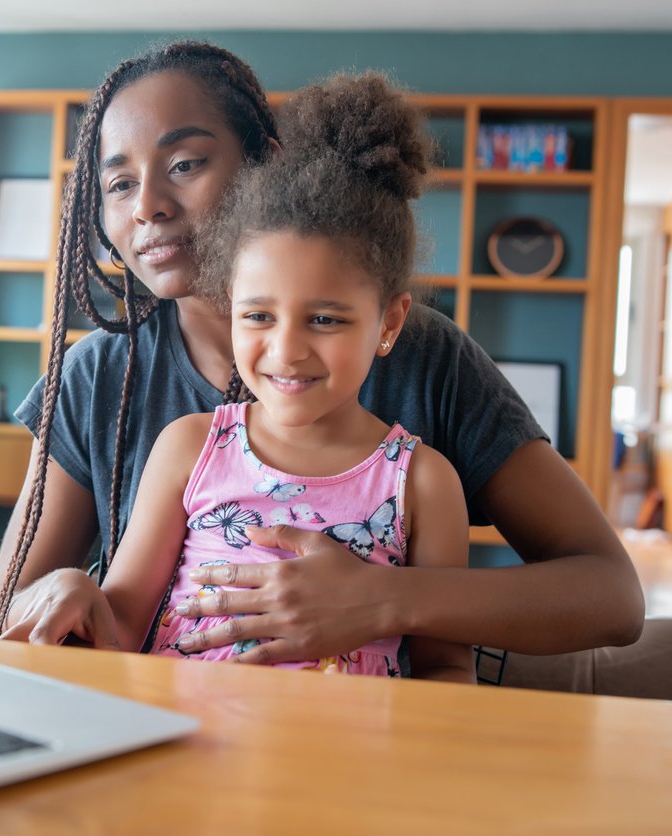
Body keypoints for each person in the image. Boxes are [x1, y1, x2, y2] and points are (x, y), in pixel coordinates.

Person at [0, 40, 644, 661]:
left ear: (264, 164)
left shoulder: (427, 359)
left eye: (184, 164)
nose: (148, 205)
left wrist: (381, 599)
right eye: (118, 183)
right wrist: (58, 593)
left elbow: (611, 597)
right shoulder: (98, 376)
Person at [96, 72, 474, 682]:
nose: (286, 349)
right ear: (229, 303)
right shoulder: (190, 448)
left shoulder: (425, 484)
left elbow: (448, 671)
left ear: (388, 322)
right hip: (183, 752)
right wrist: (69, 595)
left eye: (325, 318)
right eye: (258, 316)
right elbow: (118, 624)